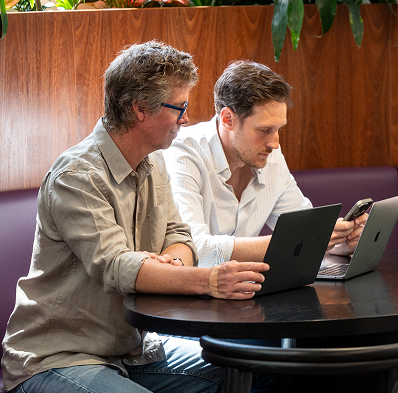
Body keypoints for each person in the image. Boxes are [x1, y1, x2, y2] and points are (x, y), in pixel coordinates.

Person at [1, 41, 269, 393]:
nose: (186, 118)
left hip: (135, 351)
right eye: (179, 107)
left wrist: (170, 263)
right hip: (59, 358)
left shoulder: (153, 161)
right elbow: (115, 266)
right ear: (140, 108)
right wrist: (207, 280)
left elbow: (179, 235)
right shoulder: (77, 176)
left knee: (260, 369)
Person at [164, 60, 367, 268]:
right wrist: (288, 243)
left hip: (244, 291)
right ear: (228, 119)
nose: (275, 143)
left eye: (279, 129)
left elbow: (304, 227)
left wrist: (340, 244)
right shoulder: (184, 152)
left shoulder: (269, 154)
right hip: (191, 296)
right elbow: (195, 249)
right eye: (264, 130)